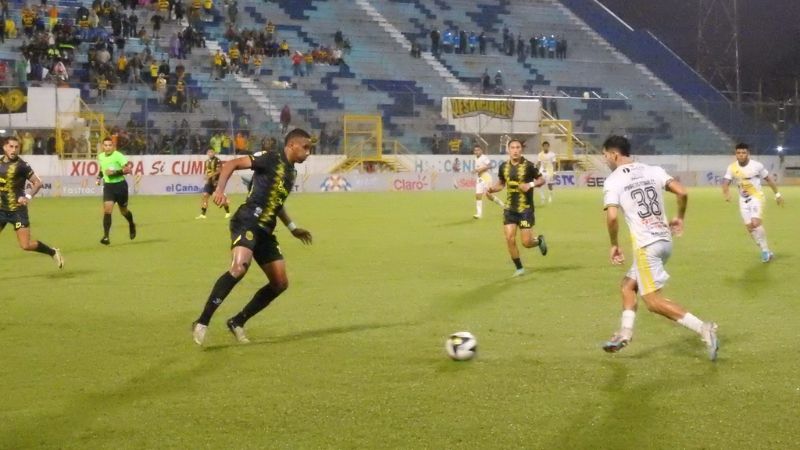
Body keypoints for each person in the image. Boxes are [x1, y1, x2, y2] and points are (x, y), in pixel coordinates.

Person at [600, 136, 719, 360]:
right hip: (664, 241)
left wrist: (614, 245)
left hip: (646, 246)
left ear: (614, 155)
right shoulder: (652, 169)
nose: (605, 160)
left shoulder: (613, 180)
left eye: (605, 156)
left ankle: (704, 328)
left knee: (653, 302)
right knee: (628, 286)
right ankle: (625, 333)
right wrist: (680, 218)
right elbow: (682, 192)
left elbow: (612, 218)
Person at [192, 128, 313, 345]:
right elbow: (231, 164)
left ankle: (237, 322)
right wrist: (220, 190)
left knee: (280, 283)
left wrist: (293, 228)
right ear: (292, 145)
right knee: (239, 268)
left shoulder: (291, 172)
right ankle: (202, 322)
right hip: (248, 220)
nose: (308, 152)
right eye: (306, 147)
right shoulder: (269, 157)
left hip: (266, 229)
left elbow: (277, 203)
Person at [486, 139, 548, 277]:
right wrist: (492, 189)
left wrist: (530, 185)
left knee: (526, 242)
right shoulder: (503, 167)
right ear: (508, 150)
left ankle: (539, 241)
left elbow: (542, 180)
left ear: (521, 150)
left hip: (525, 209)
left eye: (517, 147)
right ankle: (519, 268)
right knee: (509, 238)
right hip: (510, 209)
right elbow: (501, 183)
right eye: (512, 147)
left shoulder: (529, 166)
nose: (515, 150)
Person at [0, 136, 63, 268]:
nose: (14, 150)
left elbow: (38, 183)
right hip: (1, 209)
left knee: (25, 245)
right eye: (11, 146)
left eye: (17, 147)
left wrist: (27, 197)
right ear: (5, 147)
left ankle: (52, 252)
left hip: (17, 210)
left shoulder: (22, 166)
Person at [722, 143, 784, 262]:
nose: (741, 155)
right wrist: (726, 193)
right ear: (735, 154)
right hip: (743, 201)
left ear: (748, 153)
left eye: (743, 152)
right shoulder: (732, 167)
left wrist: (777, 194)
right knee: (750, 228)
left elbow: (769, 179)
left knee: (755, 223)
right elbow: (725, 182)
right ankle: (766, 251)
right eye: (738, 153)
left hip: (757, 197)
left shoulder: (757, 166)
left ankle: (765, 252)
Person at [96, 137, 136, 245]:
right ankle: (106, 237)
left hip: (120, 186)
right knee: (107, 210)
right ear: (103, 146)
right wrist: (99, 177)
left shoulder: (118, 156)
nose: (108, 147)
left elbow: (128, 169)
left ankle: (131, 223)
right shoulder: (100, 157)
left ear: (113, 146)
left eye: (110, 145)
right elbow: (102, 169)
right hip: (109, 186)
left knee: (124, 211)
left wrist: (114, 173)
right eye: (106, 145)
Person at [196, 148, 231, 219]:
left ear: (214, 153)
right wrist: (206, 176)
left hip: (216, 182)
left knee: (219, 198)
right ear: (207, 153)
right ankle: (203, 214)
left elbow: (219, 170)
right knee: (205, 196)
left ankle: (227, 212)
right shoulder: (206, 161)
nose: (210, 153)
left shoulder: (217, 161)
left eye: (211, 152)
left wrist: (211, 175)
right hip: (209, 182)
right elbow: (206, 171)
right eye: (209, 152)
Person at [472, 144, 504, 219]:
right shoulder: (476, 158)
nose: (476, 152)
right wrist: (476, 171)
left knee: (488, 194)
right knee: (478, 195)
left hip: (486, 177)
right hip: (479, 178)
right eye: (475, 150)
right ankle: (479, 214)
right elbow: (478, 168)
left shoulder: (484, 157)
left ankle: (503, 206)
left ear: (481, 151)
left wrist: (480, 169)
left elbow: (490, 165)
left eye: (478, 150)